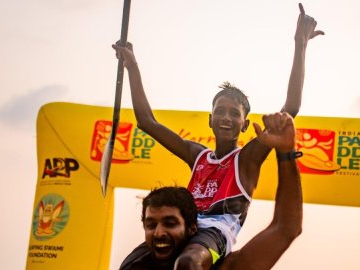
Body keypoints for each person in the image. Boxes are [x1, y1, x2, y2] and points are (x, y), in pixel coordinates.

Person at [113, 3, 322, 269]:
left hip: (212, 236)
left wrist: (300, 44)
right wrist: (132, 66)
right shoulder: (197, 155)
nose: (226, 117)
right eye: (220, 111)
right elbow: (147, 122)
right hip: (181, 228)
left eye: (234, 114)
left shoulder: (246, 158)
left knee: (189, 263)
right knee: (129, 266)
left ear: (245, 124)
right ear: (209, 119)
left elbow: (290, 108)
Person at [120, 112, 303, 270]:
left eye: (170, 223)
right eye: (151, 225)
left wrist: (286, 152)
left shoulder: (228, 265)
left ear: (192, 229)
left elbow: (286, 227)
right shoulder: (137, 263)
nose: (160, 233)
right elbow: (146, 121)